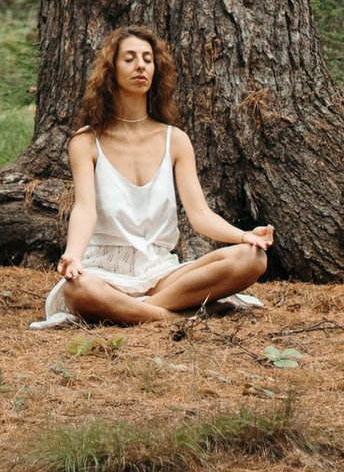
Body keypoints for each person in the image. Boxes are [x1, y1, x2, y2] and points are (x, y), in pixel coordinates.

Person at [33, 24, 273, 330]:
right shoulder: (86, 141)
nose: (140, 66)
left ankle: (137, 312)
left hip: (163, 274)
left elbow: (199, 214)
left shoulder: (176, 140)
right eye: (129, 58)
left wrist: (244, 236)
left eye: (147, 59)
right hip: (106, 273)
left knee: (252, 258)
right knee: (78, 289)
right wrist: (73, 256)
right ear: (112, 69)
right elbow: (84, 208)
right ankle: (175, 315)